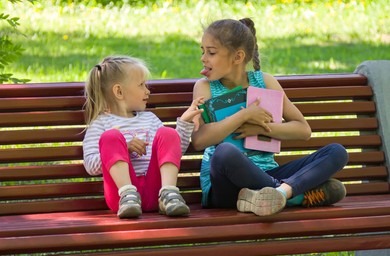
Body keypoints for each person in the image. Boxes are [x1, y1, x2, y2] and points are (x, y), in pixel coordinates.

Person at [192, 18, 349, 216]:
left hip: (267, 173)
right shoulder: (205, 87)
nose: (203, 58)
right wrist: (244, 116)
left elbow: (303, 129)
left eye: (211, 52)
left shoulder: (264, 81)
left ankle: (279, 194)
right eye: (203, 51)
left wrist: (262, 128)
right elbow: (199, 141)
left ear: (238, 57)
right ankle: (293, 195)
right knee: (224, 153)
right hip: (226, 188)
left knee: (337, 152)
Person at [83, 55, 204, 219]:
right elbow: (91, 166)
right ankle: (128, 194)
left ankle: (168, 194)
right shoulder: (100, 124)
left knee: (168, 133)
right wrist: (123, 148)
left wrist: (184, 122)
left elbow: (172, 154)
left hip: (155, 190)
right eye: (141, 85)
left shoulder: (150, 119)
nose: (147, 90)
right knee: (111, 137)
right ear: (119, 91)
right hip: (121, 198)